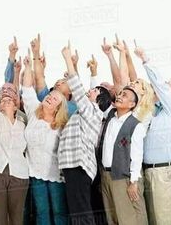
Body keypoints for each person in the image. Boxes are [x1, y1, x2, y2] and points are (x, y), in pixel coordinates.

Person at [58, 42, 112, 225]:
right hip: (73, 166)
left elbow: (79, 92)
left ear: (99, 100)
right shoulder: (86, 112)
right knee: (78, 211)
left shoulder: (93, 112)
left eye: (95, 90)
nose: (91, 90)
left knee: (81, 212)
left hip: (78, 166)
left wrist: (67, 59)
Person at [134, 47, 171, 225]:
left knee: (166, 221)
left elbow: (159, 85)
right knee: (155, 220)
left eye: (167, 86)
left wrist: (145, 59)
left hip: (166, 173)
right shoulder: (157, 112)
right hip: (154, 172)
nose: (162, 87)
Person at [21, 49, 69, 225]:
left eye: (55, 99)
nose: (50, 97)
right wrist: (27, 67)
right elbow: (27, 89)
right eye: (50, 95)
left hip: (56, 174)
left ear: (58, 107)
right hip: (35, 173)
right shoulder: (34, 111)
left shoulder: (62, 126)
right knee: (42, 213)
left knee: (59, 212)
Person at [0, 58, 29, 225]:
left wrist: (19, 73)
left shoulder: (23, 124)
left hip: (20, 174)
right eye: (3, 100)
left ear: (16, 106)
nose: (6, 100)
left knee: (17, 218)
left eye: (10, 100)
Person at [98, 86, 148, 225]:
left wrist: (133, 182)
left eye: (124, 95)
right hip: (106, 175)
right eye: (120, 94)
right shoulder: (111, 118)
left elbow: (137, 156)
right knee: (111, 217)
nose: (119, 96)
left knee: (127, 217)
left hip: (122, 177)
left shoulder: (135, 125)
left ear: (132, 104)